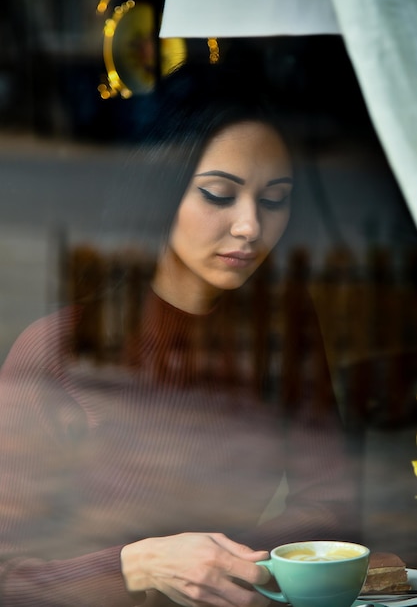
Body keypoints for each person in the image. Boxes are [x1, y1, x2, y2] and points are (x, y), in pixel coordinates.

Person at [0, 62, 360, 607]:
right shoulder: (55, 350)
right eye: (219, 194)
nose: (250, 227)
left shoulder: (285, 328)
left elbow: (333, 505)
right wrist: (138, 565)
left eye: (274, 199)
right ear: (160, 187)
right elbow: (8, 577)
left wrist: (224, 563)